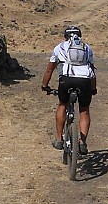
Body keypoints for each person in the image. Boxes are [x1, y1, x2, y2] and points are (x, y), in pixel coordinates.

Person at [41, 25, 97, 155]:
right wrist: (93, 88)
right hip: (84, 81)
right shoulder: (87, 48)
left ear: (65, 37)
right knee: (84, 110)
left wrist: (45, 85)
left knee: (62, 104)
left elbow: (50, 69)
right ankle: (82, 143)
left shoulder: (59, 47)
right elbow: (92, 71)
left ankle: (59, 140)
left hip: (66, 79)